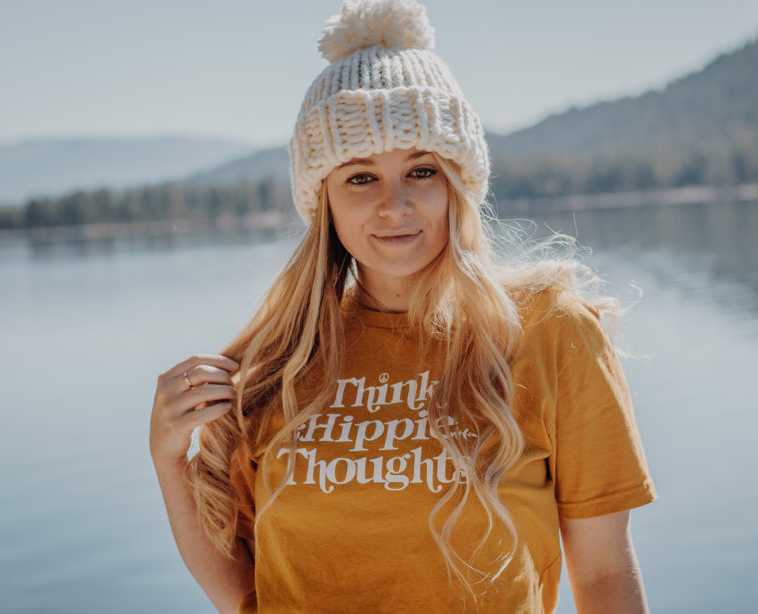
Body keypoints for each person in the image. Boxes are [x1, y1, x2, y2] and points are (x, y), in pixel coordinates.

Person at [150, 1, 657, 612]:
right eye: (360, 178)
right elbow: (244, 594)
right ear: (325, 203)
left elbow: (602, 573)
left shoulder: (551, 331)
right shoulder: (274, 364)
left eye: (421, 171)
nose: (394, 205)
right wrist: (168, 457)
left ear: (457, 186)